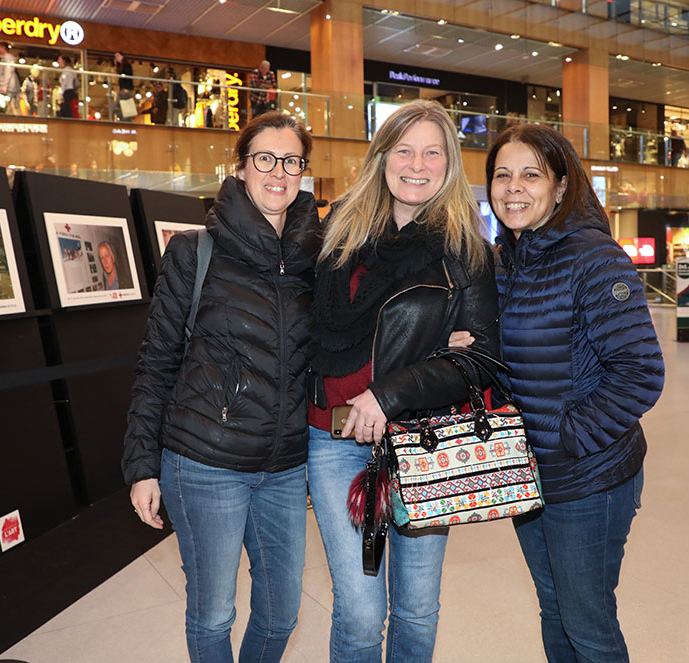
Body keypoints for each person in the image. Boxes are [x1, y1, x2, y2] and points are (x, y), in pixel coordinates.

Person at [306, 99, 501, 662]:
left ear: (449, 164)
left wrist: (388, 394)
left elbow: (484, 359)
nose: (417, 164)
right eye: (404, 149)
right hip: (334, 440)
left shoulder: (466, 251)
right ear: (382, 156)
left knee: (415, 609)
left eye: (432, 152)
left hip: (424, 440)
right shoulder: (338, 230)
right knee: (361, 612)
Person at [122, 112, 319, 663]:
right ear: (239, 168)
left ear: (304, 172)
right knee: (213, 614)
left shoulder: (316, 259)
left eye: (292, 161)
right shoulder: (195, 250)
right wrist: (141, 465)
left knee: (281, 613)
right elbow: (157, 362)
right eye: (265, 158)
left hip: (285, 466)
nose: (278, 172)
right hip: (204, 464)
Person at [485, 123, 664, 662]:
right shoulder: (504, 262)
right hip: (528, 476)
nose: (514, 187)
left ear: (561, 187)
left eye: (531, 175)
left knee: (587, 623)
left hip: (589, 477)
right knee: (553, 607)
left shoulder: (593, 257)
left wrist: (567, 437)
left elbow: (640, 371)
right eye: (502, 175)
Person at [0, 42, 21, 115]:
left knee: (5, 106)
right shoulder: (6, 58)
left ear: (2, 47)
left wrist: (4, 86)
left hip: (8, 87)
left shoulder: (7, 58)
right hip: (9, 86)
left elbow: (7, 72)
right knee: (10, 105)